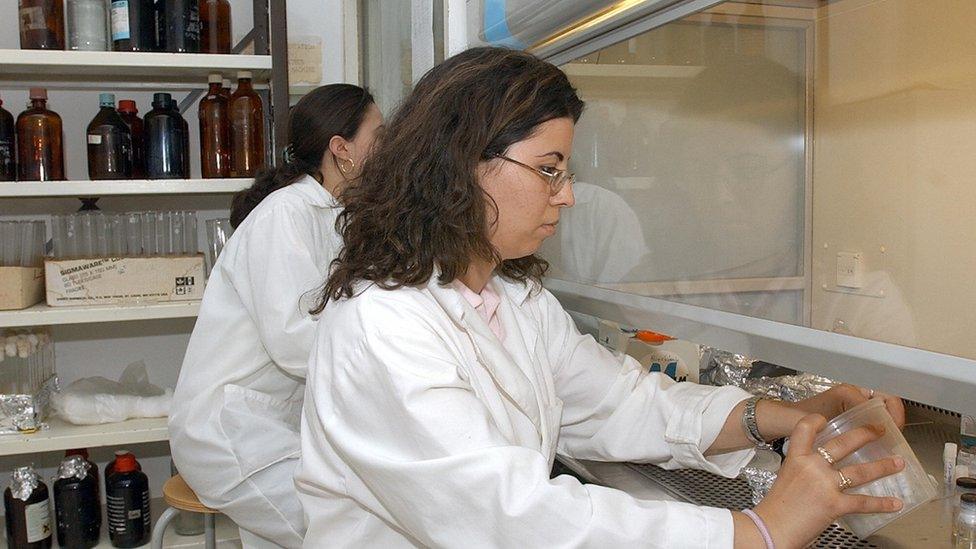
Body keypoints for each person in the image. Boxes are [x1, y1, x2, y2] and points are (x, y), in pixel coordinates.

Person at [296, 47, 906, 548]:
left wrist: (786, 416)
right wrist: (757, 530)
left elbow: (618, 402)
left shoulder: (512, 298)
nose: (567, 196)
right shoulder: (384, 324)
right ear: (462, 164)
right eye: (549, 169)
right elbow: (510, 517)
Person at [169, 84, 382, 548]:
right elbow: (295, 343)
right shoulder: (285, 215)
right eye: (378, 138)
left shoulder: (335, 217)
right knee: (344, 529)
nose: (388, 151)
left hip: (276, 424)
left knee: (371, 505)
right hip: (230, 432)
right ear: (341, 150)